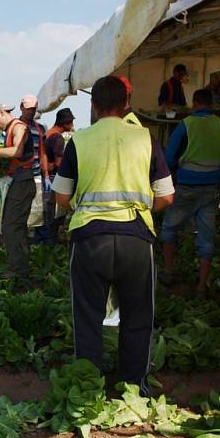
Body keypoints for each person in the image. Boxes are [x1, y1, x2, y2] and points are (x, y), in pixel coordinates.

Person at [52, 76, 175, 396]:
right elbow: (166, 196)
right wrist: (141, 210)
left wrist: (84, 205)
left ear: (92, 106)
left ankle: (89, 388)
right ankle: (134, 387)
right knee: (138, 316)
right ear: (127, 105)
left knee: (88, 315)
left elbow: (61, 197)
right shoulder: (145, 138)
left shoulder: (79, 141)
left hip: (90, 238)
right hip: (136, 238)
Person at [160, 89, 220, 298]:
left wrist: (178, 169)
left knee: (169, 228)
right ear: (211, 104)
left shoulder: (186, 124)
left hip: (186, 185)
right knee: (206, 238)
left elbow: (169, 157)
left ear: (194, 103)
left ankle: (168, 273)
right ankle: (201, 287)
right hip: (211, 188)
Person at [0, 102, 36, 278]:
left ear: (2, 113)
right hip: (18, 181)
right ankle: (22, 264)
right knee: (16, 225)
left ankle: (18, 270)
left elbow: (17, 151)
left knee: (11, 226)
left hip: (22, 182)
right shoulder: (12, 129)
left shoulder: (18, 127)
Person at [20, 94, 51, 244]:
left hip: (36, 174)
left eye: (33, 109)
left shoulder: (40, 129)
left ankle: (41, 244)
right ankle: (22, 242)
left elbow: (43, 152)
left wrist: (45, 175)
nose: (30, 112)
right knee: (21, 212)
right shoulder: (15, 126)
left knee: (40, 212)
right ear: (21, 108)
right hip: (19, 176)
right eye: (28, 109)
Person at [45, 108, 75, 242]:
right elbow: (58, 163)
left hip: (48, 175)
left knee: (49, 210)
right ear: (65, 123)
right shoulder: (58, 139)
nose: (73, 126)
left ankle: (48, 239)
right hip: (54, 177)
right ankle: (52, 241)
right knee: (56, 212)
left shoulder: (49, 133)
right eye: (71, 122)